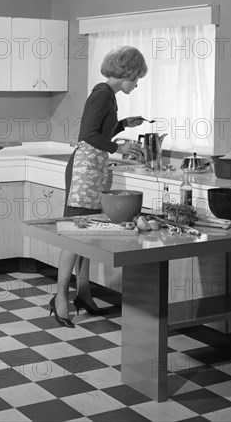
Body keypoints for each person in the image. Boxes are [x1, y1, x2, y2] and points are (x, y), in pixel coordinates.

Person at [49, 46, 148, 328]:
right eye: (136, 77)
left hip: (95, 168)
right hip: (84, 170)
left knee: (86, 231)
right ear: (126, 72)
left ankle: (83, 292)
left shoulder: (109, 98)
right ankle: (59, 298)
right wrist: (119, 147)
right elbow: (88, 135)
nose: (137, 83)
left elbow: (100, 131)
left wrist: (121, 125)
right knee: (72, 234)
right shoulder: (102, 95)